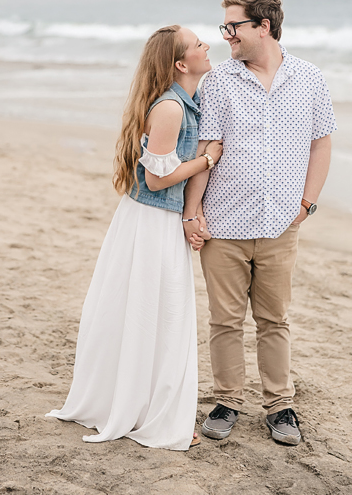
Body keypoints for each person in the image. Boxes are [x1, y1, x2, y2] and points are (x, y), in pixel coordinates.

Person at [47, 25, 222, 449]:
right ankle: (149, 415)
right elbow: (157, 179)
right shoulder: (171, 109)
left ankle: (142, 404)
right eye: (199, 43)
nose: (207, 45)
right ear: (181, 63)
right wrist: (206, 160)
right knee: (157, 314)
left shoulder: (186, 102)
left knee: (153, 314)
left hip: (154, 221)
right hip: (150, 223)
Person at [183, 0, 336, 446]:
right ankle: (227, 400)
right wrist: (193, 213)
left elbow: (321, 142)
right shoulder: (220, 82)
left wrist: (306, 204)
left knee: (275, 319)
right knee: (225, 320)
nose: (226, 35)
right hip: (223, 225)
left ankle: (280, 405)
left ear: (263, 27)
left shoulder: (310, 78)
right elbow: (207, 149)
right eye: (224, 27)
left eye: (234, 26)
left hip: (280, 226)